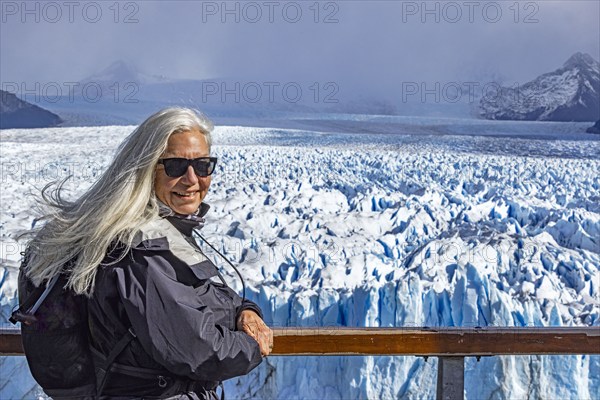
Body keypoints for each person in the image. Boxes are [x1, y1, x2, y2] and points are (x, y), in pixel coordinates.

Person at [22, 107, 273, 398]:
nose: (192, 179)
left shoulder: (157, 231)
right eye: (175, 166)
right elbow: (198, 350)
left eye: (203, 165)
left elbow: (202, 300)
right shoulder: (141, 250)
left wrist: (245, 311)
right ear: (146, 168)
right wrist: (254, 345)